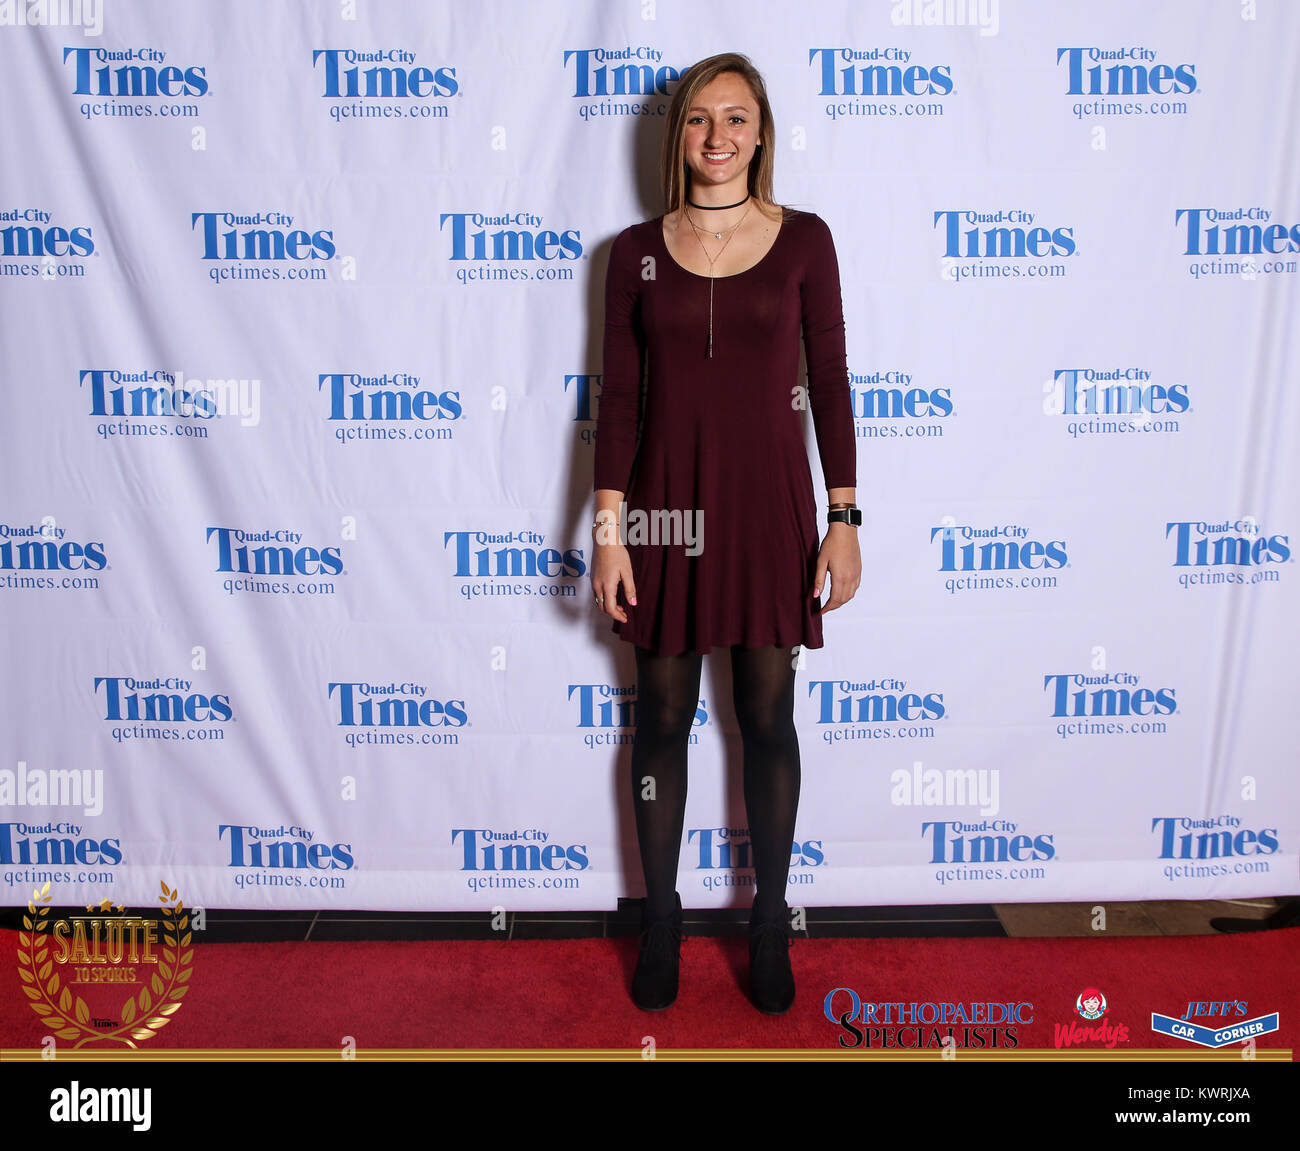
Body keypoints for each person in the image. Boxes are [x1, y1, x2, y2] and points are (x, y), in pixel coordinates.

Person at [591, 52, 861, 1014]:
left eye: (736, 118)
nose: (717, 136)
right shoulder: (633, 252)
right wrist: (611, 528)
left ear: (761, 132)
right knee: (659, 717)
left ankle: (770, 917)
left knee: (768, 718)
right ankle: (659, 917)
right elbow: (619, 399)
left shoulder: (805, 242)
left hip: (770, 510)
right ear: (680, 136)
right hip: (663, 511)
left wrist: (845, 518)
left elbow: (828, 380)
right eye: (700, 119)